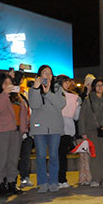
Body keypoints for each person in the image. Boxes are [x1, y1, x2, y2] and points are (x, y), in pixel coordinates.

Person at [0, 74, 29, 198]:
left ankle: (12, 183)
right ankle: (0, 184)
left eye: (10, 83)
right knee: (1, 158)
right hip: (1, 131)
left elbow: (23, 113)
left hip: (16, 132)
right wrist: (4, 94)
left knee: (13, 159)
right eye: (5, 82)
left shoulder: (17, 96)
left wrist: (24, 129)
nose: (8, 85)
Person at [28, 65, 66, 193]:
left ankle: (54, 182)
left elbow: (61, 104)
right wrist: (36, 88)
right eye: (44, 73)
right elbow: (34, 105)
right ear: (39, 75)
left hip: (55, 127)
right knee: (41, 156)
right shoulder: (33, 88)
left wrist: (48, 92)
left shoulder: (57, 88)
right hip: (39, 128)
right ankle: (42, 182)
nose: (47, 76)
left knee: (54, 156)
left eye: (49, 73)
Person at [78, 78, 103, 187]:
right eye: (97, 85)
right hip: (91, 130)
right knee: (94, 155)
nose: (100, 87)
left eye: (102, 85)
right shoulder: (88, 99)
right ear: (94, 87)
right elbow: (82, 117)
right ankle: (95, 178)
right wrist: (83, 132)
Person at [57, 75, 81, 188]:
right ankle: (60, 179)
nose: (68, 84)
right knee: (60, 155)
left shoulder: (72, 96)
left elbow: (76, 116)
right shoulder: (58, 94)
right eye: (66, 82)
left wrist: (77, 104)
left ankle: (60, 178)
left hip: (66, 127)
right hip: (61, 127)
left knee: (61, 154)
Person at [76, 74, 95, 186]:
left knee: (92, 154)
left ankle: (92, 176)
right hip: (83, 130)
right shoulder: (81, 97)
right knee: (83, 155)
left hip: (92, 129)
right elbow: (79, 116)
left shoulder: (95, 97)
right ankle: (84, 177)